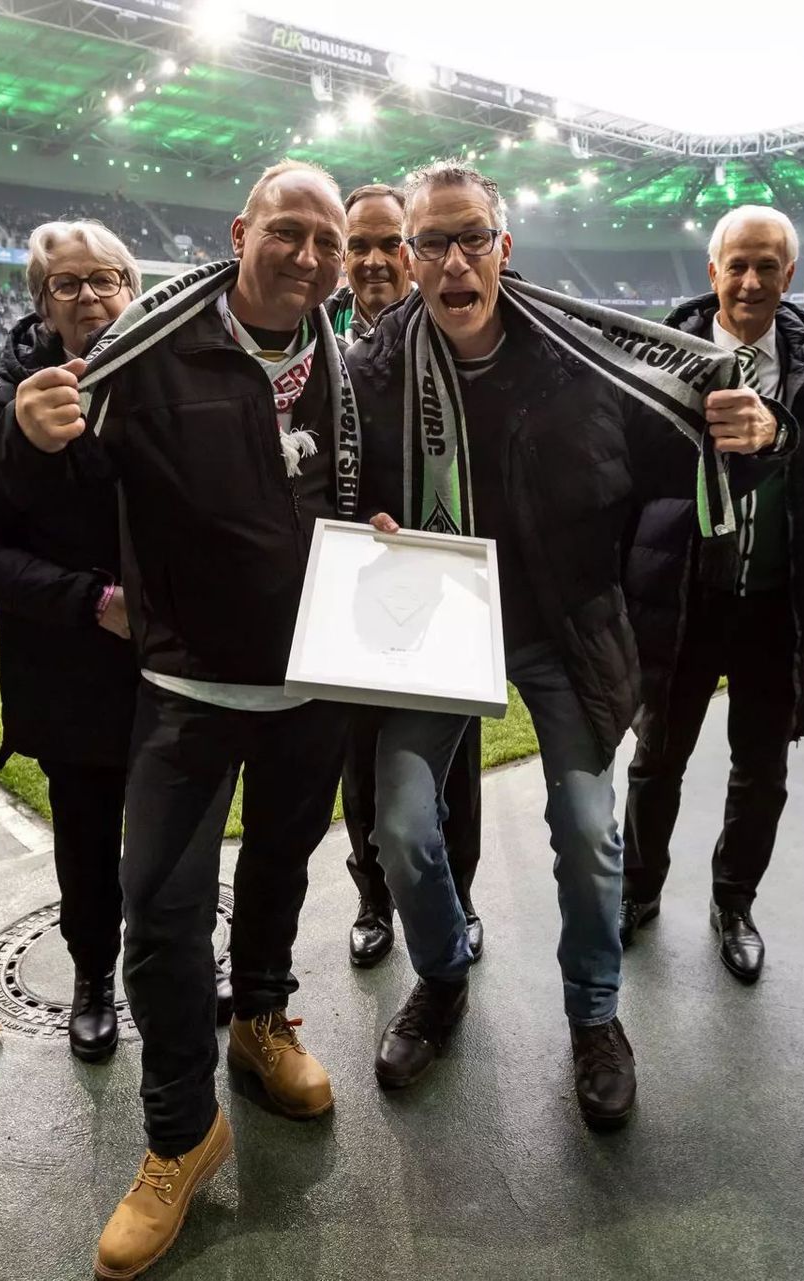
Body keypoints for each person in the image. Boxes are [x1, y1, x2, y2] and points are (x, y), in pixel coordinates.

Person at [347, 162, 787, 1120]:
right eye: (433, 242)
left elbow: (691, 448)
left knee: (589, 831)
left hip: (565, 631)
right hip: (438, 630)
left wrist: (758, 435)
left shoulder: (578, 360)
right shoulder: (373, 372)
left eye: (471, 238)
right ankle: (443, 977)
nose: (453, 261)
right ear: (411, 256)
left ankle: (595, 1015)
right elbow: (342, 491)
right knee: (402, 826)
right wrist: (369, 521)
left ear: (503, 248)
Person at [0, 160, 356, 1281]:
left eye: (328, 242)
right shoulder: (149, 347)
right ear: (241, 232)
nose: (307, 257)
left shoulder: (358, 365)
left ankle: (262, 1020)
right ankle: (179, 1134)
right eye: (288, 231)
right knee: (159, 914)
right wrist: (25, 433)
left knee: (282, 872)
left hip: (314, 688)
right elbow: (39, 494)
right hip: (189, 690)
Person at [0, 219, 235, 1063]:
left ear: (134, 289)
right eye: (66, 284)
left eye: (107, 279)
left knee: (181, 834)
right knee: (88, 833)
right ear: (41, 303)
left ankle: (178, 964)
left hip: (184, 664)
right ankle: (95, 977)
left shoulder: (179, 385)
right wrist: (91, 600)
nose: (91, 297)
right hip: (73, 668)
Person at [620, 205, 804, 983]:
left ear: (790, 274)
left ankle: (734, 902)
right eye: (737, 265)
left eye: (767, 266)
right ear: (712, 271)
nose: (750, 281)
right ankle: (638, 890)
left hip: (776, 602)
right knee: (657, 758)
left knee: (762, 769)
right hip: (683, 597)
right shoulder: (658, 357)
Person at [325, 181, 486, 968]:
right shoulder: (322, 344)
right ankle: (373, 898)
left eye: (390, 243)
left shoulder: (457, 337)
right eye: (357, 245)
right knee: (362, 757)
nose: (374, 260)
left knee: (456, 761)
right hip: (362, 585)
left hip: (448, 583)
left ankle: (460, 896)